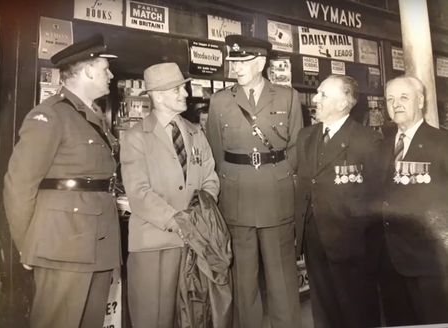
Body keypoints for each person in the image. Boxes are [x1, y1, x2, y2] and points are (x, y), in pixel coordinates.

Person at [3, 34, 120, 328]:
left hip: (97, 242)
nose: (111, 75)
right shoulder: (50, 116)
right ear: (88, 70)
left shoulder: (92, 117)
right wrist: (25, 243)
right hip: (63, 245)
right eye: (106, 68)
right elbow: (19, 185)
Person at [207, 34, 303, 328]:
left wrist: (280, 178)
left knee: (283, 281)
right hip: (237, 198)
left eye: (242, 61)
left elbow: (296, 147)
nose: (235, 67)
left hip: (277, 196)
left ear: (260, 62)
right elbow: (215, 150)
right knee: (243, 282)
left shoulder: (287, 96)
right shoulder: (220, 100)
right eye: (233, 61)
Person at [120, 62, 219, 328]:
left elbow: (210, 178)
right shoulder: (135, 137)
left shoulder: (195, 132)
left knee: (193, 318)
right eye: (178, 89)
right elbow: (138, 192)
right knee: (153, 318)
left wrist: (201, 212)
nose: (185, 94)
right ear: (158, 94)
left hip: (194, 243)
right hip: (155, 244)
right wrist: (177, 220)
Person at [294, 75, 382, 328]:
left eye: (323, 95)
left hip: (351, 242)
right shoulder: (306, 136)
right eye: (317, 93)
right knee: (323, 308)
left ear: (344, 103)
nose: (315, 99)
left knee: (356, 310)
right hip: (313, 237)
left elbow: (376, 198)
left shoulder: (367, 140)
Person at [378, 75, 448, 325]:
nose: (396, 104)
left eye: (404, 97)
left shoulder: (442, 142)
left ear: (421, 101)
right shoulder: (382, 146)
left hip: (430, 265)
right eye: (390, 99)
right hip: (389, 262)